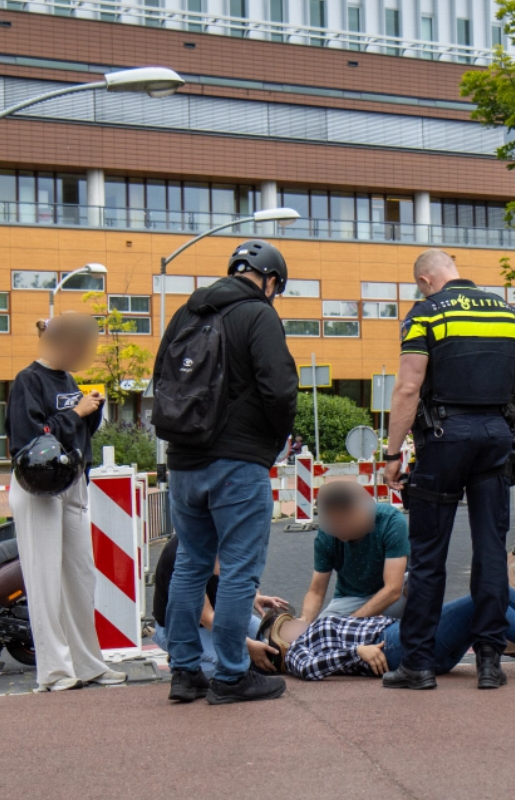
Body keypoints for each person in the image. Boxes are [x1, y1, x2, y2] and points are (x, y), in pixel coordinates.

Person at [382, 248, 515, 691]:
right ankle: (490, 660)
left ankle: (417, 663)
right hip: (496, 436)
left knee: (430, 552)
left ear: (426, 280)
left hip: (444, 437)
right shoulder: (510, 315)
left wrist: (393, 455)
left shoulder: (426, 314)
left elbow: (409, 386)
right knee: (491, 548)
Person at [154, 240, 299, 705]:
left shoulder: (185, 315)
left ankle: (185, 671)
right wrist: (272, 443)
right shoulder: (258, 315)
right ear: (271, 280)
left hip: (184, 461)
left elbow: (161, 381)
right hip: (237, 462)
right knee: (239, 570)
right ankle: (233, 676)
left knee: (190, 565)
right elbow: (279, 389)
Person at [5, 313, 127, 692]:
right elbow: (29, 437)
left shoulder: (69, 379)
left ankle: (88, 663)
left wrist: (91, 410)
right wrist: (76, 412)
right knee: (44, 580)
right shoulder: (29, 379)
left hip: (71, 482)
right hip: (38, 486)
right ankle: (55, 672)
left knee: (79, 577)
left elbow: (75, 430)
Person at [270, 588, 515, 681]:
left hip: (408, 634)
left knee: (495, 588)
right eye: (285, 627)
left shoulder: (317, 624)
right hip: (396, 646)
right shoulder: (298, 650)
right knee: (482, 596)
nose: (295, 624)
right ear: (279, 641)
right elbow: (306, 669)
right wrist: (355, 653)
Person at [149, 536, 289, 682]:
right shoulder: (182, 556)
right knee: (230, 665)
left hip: (222, 614)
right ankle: (181, 658)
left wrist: (254, 596)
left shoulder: (227, 537)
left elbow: (241, 577)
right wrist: (246, 646)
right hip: (184, 627)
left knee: (274, 639)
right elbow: (207, 617)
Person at [299, 481, 409, 621]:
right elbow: (316, 591)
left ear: (359, 511)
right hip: (351, 598)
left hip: (397, 594)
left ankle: (416, 631)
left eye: (344, 522)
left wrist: (350, 624)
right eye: (334, 523)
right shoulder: (326, 534)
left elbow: (393, 590)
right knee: (320, 631)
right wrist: (304, 622)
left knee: (418, 584)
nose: (339, 530)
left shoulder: (391, 521)